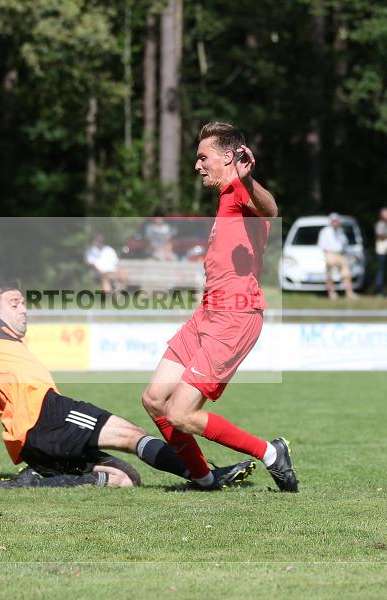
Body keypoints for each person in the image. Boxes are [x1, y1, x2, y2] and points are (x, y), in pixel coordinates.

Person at [0, 288, 255, 489]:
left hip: (30, 440)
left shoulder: (3, 338)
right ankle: (205, 477)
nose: (24, 309)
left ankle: (43, 479)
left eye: (24, 303)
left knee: (125, 479)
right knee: (133, 435)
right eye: (15, 303)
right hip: (45, 414)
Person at [139, 121, 298, 493]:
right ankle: (203, 478)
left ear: (228, 157)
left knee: (181, 413)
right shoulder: (226, 195)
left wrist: (248, 179)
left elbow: (271, 208)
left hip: (234, 316)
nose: (197, 165)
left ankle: (270, 453)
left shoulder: (240, 190)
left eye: (202, 157)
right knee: (155, 400)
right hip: (207, 313)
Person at [318, 213, 357, 300]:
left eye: (336, 221)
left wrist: (347, 253)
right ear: (331, 222)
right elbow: (322, 245)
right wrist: (328, 254)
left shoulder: (340, 231)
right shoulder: (325, 231)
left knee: (346, 274)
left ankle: (349, 293)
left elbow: (344, 244)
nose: (335, 223)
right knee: (329, 274)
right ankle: (331, 293)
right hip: (330, 254)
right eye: (334, 221)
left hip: (340, 254)